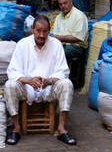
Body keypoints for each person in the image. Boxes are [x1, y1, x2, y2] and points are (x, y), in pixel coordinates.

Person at [5, 14, 77, 145]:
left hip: (48, 88)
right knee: (10, 85)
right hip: (27, 88)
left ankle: (61, 129)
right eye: (38, 31)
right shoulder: (22, 44)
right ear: (32, 29)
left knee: (67, 84)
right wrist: (28, 80)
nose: (41, 35)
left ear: (49, 31)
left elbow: (63, 71)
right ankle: (16, 128)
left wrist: (49, 80)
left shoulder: (56, 44)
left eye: (45, 31)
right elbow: (12, 71)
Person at [51, 0, 89, 89]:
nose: (63, 6)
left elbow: (77, 38)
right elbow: (54, 34)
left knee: (57, 53)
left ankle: (60, 80)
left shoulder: (79, 16)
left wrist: (59, 38)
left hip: (76, 47)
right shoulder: (59, 17)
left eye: (65, 3)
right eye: (60, 4)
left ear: (71, 2)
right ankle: (50, 78)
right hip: (61, 45)